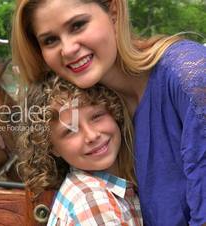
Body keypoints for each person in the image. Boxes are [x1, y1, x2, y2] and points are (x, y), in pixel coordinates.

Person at [11, 1, 206, 225]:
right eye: (50, 40)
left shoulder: (190, 74)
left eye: (77, 25)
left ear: (113, 11)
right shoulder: (98, 110)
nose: (68, 49)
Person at [17, 76, 142, 225]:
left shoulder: (80, 189)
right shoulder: (93, 201)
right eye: (70, 131)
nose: (92, 135)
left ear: (114, 111)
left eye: (96, 116)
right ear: (51, 147)